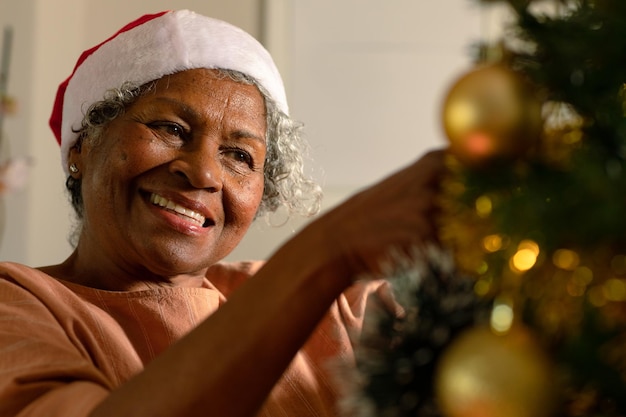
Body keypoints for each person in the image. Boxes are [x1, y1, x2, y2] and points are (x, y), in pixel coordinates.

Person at [0, 9, 445, 417]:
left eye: (239, 156)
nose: (204, 173)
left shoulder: (337, 309)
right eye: (170, 128)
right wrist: (328, 249)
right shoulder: (18, 303)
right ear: (82, 145)